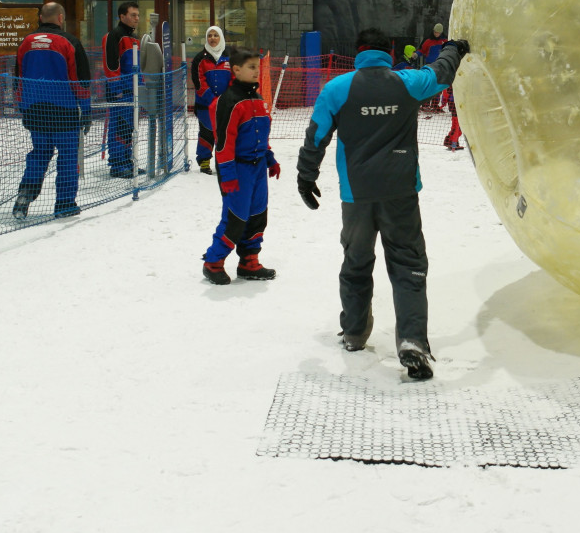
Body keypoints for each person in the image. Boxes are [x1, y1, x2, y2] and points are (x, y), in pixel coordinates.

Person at [297, 26, 468, 380]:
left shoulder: (336, 89)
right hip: (400, 192)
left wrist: (306, 175)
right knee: (409, 266)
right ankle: (412, 342)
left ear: (359, 51)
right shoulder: (407, 82)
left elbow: (316, 135)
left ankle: (355, 334)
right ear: (387, 51)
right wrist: (455, 47)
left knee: (356, 263)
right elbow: (441, 71)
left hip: (356, 196)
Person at [201, 47, 280, 285]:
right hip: (237, 169)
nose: (257, 71)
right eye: (251, 67)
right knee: (236, 217)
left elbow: (261, 136)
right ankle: (213, 262)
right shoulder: (228, 101)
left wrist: (270, 158)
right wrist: (228, 175)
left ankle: (249, 262)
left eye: (258, 66)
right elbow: (224, 143)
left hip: (257, 169)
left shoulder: (257, 99)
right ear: (236, 70)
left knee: (258, 216)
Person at [13, 2, 92, 219]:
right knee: (67, 157)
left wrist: (23, 107)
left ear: (40, 18)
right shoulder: (69, 42)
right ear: (60, 17)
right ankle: (65, 204)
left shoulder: (26, 42)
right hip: (63, 110)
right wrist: (86, 111)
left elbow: (17, 78)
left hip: (34, 110)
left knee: (40, 153)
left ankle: (25, 195)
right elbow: (80, 81)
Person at [103, 1, 141, 179]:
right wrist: (116, 88)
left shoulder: (134, 38)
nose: (137, 18)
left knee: (129, 128)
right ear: (122, 16)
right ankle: (117, 164)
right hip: (120, 92)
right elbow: (111, 65)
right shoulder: (115, 36)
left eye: (138, 15)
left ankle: (127, 161)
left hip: (132, 90)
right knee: (119, 128)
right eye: (133, 15)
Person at [190, 25, 230, 176]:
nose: (212, 38)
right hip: (205, 106)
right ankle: (204, 161)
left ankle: (223, 162)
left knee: (225, 134)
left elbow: (234, 78)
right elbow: (198, 82)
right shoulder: (200, 59)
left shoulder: (229, 57)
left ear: (221, 38)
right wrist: (211, 100)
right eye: (210, 35)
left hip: (225, 106)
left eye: (216, 35)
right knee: (206, 133)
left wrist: (227, 99)